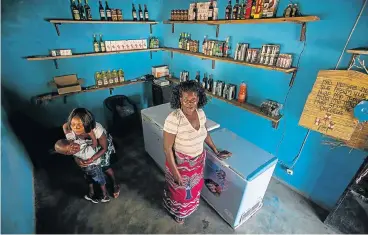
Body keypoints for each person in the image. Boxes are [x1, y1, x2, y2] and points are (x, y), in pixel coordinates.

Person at [162, 80, 231, 224]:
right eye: (186, 99)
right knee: (179, 193)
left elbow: (204, 133)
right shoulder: (174, 118)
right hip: (180, 164)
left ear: (199, 98)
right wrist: (176, 173)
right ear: (180, 98)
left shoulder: (201, 113)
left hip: (197, 162)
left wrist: (215, 149)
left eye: (193, 99)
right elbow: (167, 148)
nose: (190, 103)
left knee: (194, 188)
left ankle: (189, 208)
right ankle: (178, 212)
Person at [62, 108, 120, 199]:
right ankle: (92, 188)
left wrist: (93, 159)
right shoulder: (70, 130)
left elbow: (104, 148)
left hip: (101, 146)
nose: (75, 127)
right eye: (73, 124)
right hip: (87, 148)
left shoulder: (97, 130)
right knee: (88, 170)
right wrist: (77, 159)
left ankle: (115, 183)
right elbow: (71, 147)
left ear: (87, 123)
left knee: (105, 166)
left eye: (79, 124)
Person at [54, 138, 110, 203]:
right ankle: (105, 196)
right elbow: (95, 143)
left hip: (85, 169)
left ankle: (91, 194)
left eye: (72, 146)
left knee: (89, 180)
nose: (74, 149)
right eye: (70, 151)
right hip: (94, 167)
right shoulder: (85, 152)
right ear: (67, 154)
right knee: (101, 181)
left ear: (71, 141)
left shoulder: (75, 152)